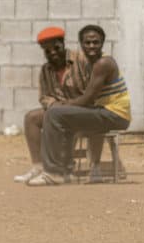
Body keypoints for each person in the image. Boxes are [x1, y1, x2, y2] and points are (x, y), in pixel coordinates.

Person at [27, 25, 131, 185]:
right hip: (94, 109)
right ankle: (58, 170)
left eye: (95, 42)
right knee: (42, 116)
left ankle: (54, 172)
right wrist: (59, 105)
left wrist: (62, 106)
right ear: (81, 44)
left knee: (55, 114)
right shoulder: (50, 68)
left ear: (103, 43)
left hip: (112, 113)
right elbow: (45, 96)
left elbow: (87, 98)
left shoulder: (100, 62)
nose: (91, 46)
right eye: (87, 43)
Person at [15, 27, 90, 184]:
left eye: (56, 48)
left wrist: (70, 106)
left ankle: (62, 170)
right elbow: (44, 97)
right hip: (58, 110)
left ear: (63, 43)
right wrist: (56, 105)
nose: (53, 53)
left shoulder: (81, 61)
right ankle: (39, 167)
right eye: (47, 51)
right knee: (32, 118)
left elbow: (92, 90)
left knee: (60, 118)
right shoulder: (46, 69)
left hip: (83, 109)